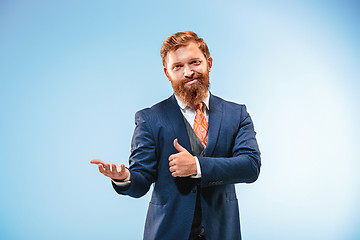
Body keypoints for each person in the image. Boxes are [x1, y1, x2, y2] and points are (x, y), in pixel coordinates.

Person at [90, 31, 261, 240]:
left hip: (222, 232)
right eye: (178, 66)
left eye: (195, 62)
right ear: (167, 73)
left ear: (209, 63)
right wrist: (124, 178)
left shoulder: (237, 114)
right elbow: (141, 181)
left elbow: (250, 166)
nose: (188, 72)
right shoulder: (150, 118)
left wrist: (197, 167)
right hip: (167, 233)